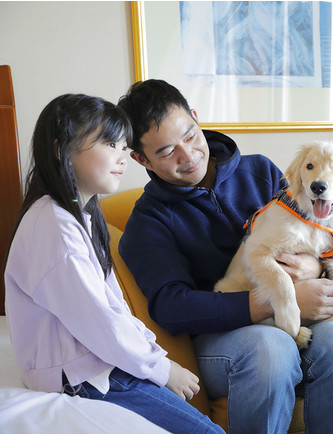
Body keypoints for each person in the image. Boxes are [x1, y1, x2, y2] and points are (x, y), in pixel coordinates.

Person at [117, 79, 333, 434]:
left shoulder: (262, 172)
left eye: (190, 136)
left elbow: (320, 231)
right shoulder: (148, 222)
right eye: (165, 152)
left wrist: (312, 265)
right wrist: (272, 302)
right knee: (270, 348)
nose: (187, 156)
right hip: (220, 337)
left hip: (297, 316)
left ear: (195, 117)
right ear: (140, 158)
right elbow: (171, 307)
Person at [3, 94, 223, 433]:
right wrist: (162, 370)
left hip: (98, 366)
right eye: (109, 144)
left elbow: (113, 307)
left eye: (123, 147)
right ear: (62, 150)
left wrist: (153, 358)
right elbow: (100, 321)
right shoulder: (55, 227)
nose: (121, 158)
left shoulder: (77, 216)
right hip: (84, 377)